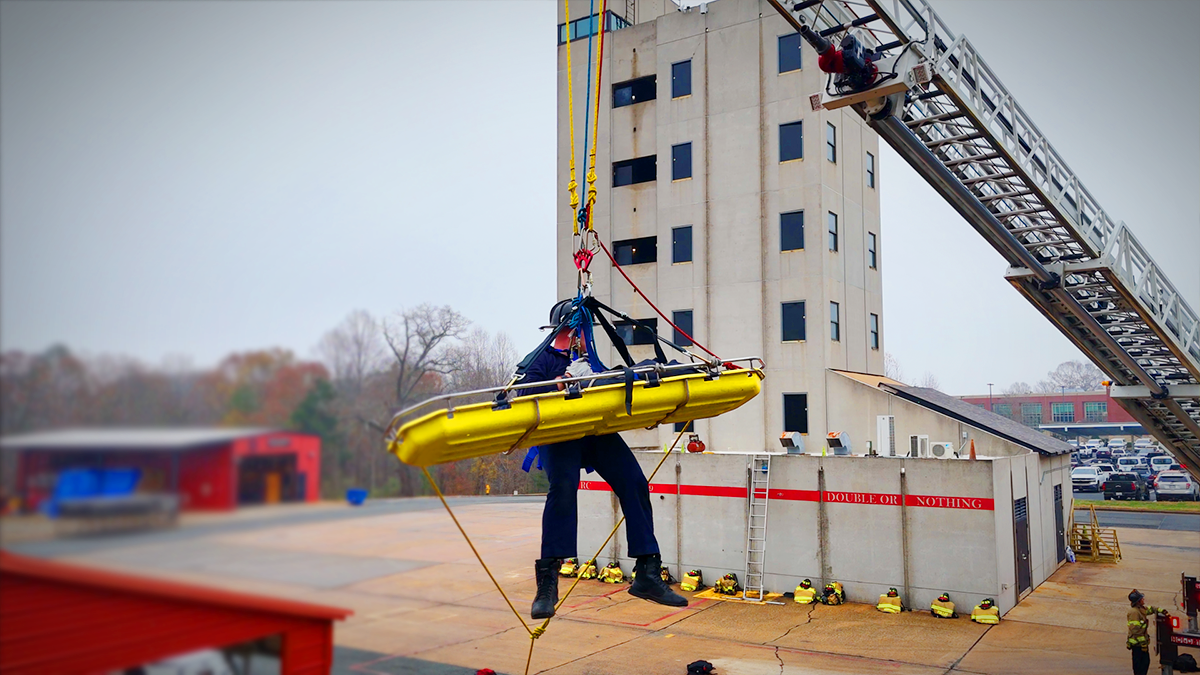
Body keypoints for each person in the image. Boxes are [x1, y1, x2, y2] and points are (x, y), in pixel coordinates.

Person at [521, 304, 686, 620]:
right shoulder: (542, 359)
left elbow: (610, 390)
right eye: (580, 331)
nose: (584, 338)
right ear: (566, 330)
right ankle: (547, 585)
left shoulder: (589, 360)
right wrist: (561, 382)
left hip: (593, 429)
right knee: (564, 488)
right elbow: (525, 394)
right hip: (560, 432)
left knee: (634, 482)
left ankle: (647, 573)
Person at [1127, 589, 1166, 675]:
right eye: (1141, 599)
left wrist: (1161, 610)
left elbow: (1150, 609)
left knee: (1145, 663)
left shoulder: (1140, 609)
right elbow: (1136, 631)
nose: (1143, 600)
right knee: (1140, 665)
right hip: (1137, 645)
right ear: (1138, 602)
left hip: (1142, 644)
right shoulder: (1134, 612)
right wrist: (1143, 644)